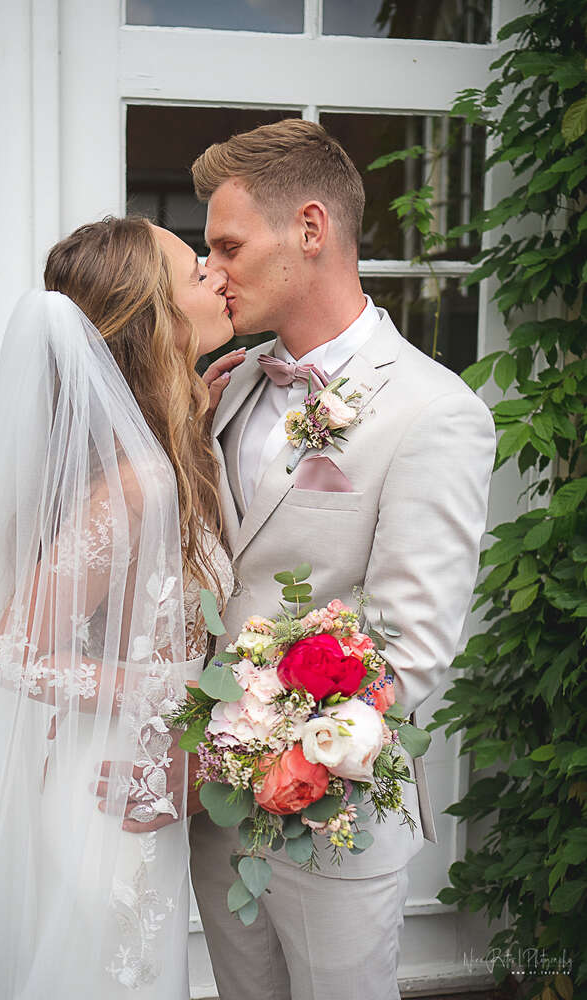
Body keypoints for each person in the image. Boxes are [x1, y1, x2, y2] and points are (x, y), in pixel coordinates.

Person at [0, 217, 242, 1000]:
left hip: (135, 774)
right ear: (158, 321)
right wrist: (164, 687)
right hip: (103, 786)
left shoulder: (164, 453)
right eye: (196, 274)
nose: (218, 278)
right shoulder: (137, 483)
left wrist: (197, 423)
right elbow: (14, 651)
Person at [187, 119, 496, 1000]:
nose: (212, 273)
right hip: (212, 817)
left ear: (311, 230)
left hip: (335, 813)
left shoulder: (434, 412)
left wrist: (268, 747)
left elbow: (410, 648)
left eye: (228, 246)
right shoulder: (226, 383)